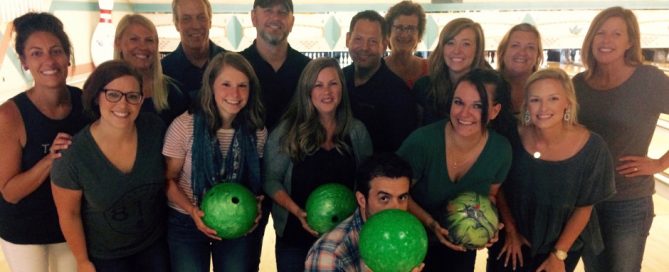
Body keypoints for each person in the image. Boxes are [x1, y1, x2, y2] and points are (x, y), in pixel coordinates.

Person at [488, 68, 616, 272]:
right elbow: (498, 186)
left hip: (561, 245)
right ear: (526, 104)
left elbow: (584, 208)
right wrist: (511, 231)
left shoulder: (593, 148)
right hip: (512, 240)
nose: (543, 108)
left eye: (553, 99)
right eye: (535, 100)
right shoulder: (511, 136)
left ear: (567, 102)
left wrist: (559, 254)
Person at [573, 7, 669, 272]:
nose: (607, 40)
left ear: (630, 42)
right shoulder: (578, 84)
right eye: (601, 33)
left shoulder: (649, 79)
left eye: (617, 34)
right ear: (591, 39)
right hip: (586, 200)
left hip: (629, 199)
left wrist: (660, 164)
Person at [51, 60, 169, 271]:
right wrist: (82, 261)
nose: (123, 105)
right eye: (113, 94)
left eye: (132, 96)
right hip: (107, 257)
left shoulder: (154, 130)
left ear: (141, 100)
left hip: (154, 245)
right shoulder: (72, 156)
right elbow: (69, 215)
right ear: (97, 96)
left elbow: (171, 179)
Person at [263, 58, 373, 272]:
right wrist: (298, 213)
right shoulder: (287, 132)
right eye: (318, 85)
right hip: (295, 237)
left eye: (333, 83)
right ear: (307, 91)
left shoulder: (356, 132)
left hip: (344, 237)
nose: (327, 91)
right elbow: (270, 180)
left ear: (342, 87)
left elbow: (367, 180)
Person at [397, 69, 512, 272]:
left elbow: (490, 195)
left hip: (460, 247)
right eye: (459, 102)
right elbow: (396, 195)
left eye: (478, 106)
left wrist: (489, 223)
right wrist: (431, 223)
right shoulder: (423, 142)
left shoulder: (501, 150)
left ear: (494, 111)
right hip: (408, 241)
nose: (464, 113)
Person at [162, 52, 266, 272]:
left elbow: (251, 181)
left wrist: (253, 205)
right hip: (186, 221)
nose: (234, 94)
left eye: (242, 86)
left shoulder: (256, 131)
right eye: (226, 84)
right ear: (211, 85)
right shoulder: (184, 126)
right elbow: (167, 180)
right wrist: (192, 211)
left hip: (233, 218)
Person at [0, 12, 86, 272]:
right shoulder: (9, 115)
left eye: (56, 51)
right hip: (24, 231)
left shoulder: (84, 102)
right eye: (36, 53)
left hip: (71, 226)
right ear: (24, 62)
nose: (49, 60)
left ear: (68, 55)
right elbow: (9, 192)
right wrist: (51, 159)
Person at [304, 153, 424, 272]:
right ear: (362, 200)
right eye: (384, 198)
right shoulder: (329, 255)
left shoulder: (408, 239)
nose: (396, 209)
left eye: (402, 198)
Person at [343, 10, 417, 153]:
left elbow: (401, 154)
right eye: (358, 39)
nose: (364, 48)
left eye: (373, 41)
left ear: (384, 45)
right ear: (348, 39)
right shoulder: (338, 81)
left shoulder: (399, 95)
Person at [240, 0, 310, 131]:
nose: (276, 17)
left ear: (292, 22)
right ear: (253, 17)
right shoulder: (236, 67)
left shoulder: (308, 69)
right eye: (268, 10)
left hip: (298, 150)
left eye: (283, 12)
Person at [115, 14, 189, 125]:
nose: (143, 47)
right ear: (118, 43)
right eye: (134, 39)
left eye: (149, 40)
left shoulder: (175, 93)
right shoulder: (101, 91)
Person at [414, 18, 489, 125]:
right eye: (450, 43)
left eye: (466, 44)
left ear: (478, 50)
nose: (457, 50)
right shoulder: (424, 87)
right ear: (442, 47)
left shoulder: (490, 89)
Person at [161, 0, 226, 99]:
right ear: (176, 24)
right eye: (186, 19)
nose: (195, 26)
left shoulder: (232, 65)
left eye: (201, 17)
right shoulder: (162, 72)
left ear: (210, 22)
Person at [496, 23, 543, 113]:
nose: (522, 52)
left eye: (530, 47)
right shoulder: (488, 86)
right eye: (515, 45)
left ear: (538, 55)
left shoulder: (546, 89)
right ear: (503, 50)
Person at [383, 1, 428, 88]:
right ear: (389, 32)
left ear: (419, 35)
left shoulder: (431, 70)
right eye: (399, 28)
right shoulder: (376, 70)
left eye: (411, 28)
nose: (404, 35)